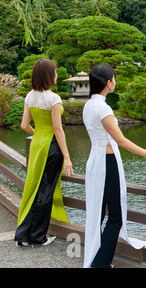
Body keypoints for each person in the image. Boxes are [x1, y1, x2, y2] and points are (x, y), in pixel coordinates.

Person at [82, 65, 146, 268]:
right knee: (116, 217)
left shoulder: (89, 105)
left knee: (97, 213)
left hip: (95, 162)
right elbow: (120, 140)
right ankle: (100, 264)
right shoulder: (103, 108)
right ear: (108, 83)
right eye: (114, 78)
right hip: (107, 164)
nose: (115, 81)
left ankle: (99, 259)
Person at [15, 59, 72, 247]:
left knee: (33, 187)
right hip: (51, 148)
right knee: (46, 191)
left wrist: (38, 134)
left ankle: (23, 234)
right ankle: (38, 236)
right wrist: (67, 156)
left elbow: (24, 126)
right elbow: (58, 129)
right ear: (49, 75)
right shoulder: (54, 99)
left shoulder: (29, 96)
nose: (56, 75)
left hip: (37, 146)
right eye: (55, 72)